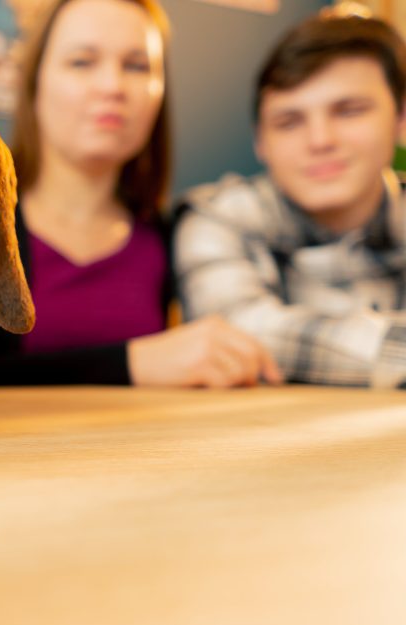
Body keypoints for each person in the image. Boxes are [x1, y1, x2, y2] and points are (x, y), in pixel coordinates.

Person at [0, 0, 281, 388]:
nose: (112, 87)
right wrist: (132, 365)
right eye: (82, 62)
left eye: (137, 66)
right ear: (34, 83)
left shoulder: (171, 237)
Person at [174, 11, 406, 388]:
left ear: (400, 118)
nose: (320, 140)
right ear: (260, 142)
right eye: (289, 122)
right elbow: (239, 333)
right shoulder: (217, 217)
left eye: (348, 111)